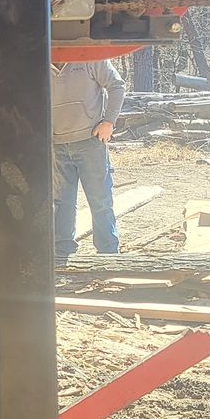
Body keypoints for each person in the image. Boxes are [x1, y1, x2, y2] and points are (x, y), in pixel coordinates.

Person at [51, 58, 127, 264]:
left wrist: (109, 122)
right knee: (62, 202)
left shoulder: (90, 56)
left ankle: (108, 255)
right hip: (56, 144)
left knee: (100, 200)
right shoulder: (38, 58)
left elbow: (117, 86)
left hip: (91, 141)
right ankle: (62, 254)